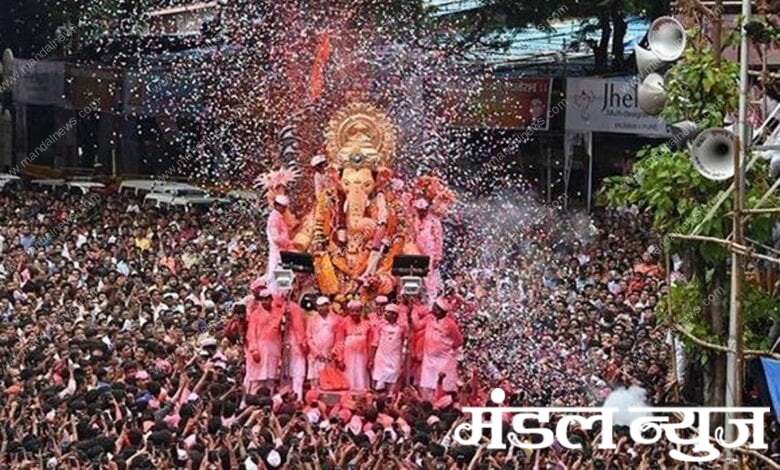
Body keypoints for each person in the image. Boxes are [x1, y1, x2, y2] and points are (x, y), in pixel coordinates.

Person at [416, 297, 463, 400]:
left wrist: (445, 349)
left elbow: (459, 341)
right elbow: (417, 325)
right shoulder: (429, 319)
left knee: (442, 388)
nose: (433, 308)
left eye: (435, 307)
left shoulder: (450, 324)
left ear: (441, 311)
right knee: (427, 387)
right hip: (429, 360)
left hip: (443, 361)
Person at [244, 289, 284, 394]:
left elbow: (282, 330)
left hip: (274, 350)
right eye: (262, 299)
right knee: (257, 381)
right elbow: (251, 334)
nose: (264, 301)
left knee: (270, 380)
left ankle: (268, 403)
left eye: (266, 299)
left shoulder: (279, 313)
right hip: (259, 351)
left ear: (271, 299)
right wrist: (254, 350)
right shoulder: (255, 315)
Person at [334, 300, 372, 392]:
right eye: (352, 311)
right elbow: (339, 342)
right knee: (349, 377)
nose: (355, 313)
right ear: (348, 311)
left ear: (361, 311)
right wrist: (340, 359)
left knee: (361, 376)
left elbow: (370, 343)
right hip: (348, 358)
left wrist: (371, 359)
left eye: (357, 311)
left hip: (363, 357)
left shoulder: (367, 324)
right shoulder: (343, 324)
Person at [413, 198, 443, 303]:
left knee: (429, 277)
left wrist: (437, 257)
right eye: (419, 210)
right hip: (416, 252)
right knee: (416, 276)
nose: (421, 212)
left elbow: (438, 240)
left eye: (423, 210)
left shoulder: (434, 222)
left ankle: (432, 301)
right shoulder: (414, 220)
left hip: (430, 252)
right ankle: (417, 299)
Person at [370, 303, 405, 392]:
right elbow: (375, 343)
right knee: (378, 383)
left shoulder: (401, 328)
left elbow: (405, 343)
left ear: (395, 315)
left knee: (393, 383)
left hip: (394, 359)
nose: (385, 314)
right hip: (381, 358)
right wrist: (371, 359)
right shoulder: (380, 326)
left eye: (388, 312)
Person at [305, 296, 338, 389]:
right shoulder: (311, 320)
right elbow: (308, 338)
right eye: (318, 306)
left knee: (329, 379)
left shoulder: (335, 319)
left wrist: (333, 352)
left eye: (323, 306)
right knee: (315, 380)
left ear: (328, 306)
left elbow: (338, 338)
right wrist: (317, 353)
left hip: (329, 355)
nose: (320, 308)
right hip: (315, 355)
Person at [265, 194, 294, 291]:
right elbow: (276, 238)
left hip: (281, 249)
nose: (285, 209)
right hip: (278, 250)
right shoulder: (274, 218)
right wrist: (288, 243)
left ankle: (281, 293)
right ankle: (278, 295)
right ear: (277, 206)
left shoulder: (278, 216)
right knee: (279, 272)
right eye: (283, 207)